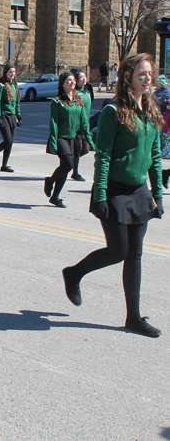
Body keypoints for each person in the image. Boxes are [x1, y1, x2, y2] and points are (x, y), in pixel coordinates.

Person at [62, 53, 164, 338]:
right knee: (118, 250)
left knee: (135, 254)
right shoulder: (113, 111)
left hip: (139, 191)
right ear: (128, 76)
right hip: (115, 190)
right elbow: (103, 155)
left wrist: (158, 194)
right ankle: (74, 273)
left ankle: (133, 318)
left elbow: (155, 155)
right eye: (141, 74)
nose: (147, 79)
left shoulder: (151, 110)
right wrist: (102, 195)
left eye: (149, 74)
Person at [44, 71, 93, 208]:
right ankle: (50, 180)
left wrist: (89, 140)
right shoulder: (57, 101)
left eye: (73, 80)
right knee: (68, 164)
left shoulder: (78, 100)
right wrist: (53, 141)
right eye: (69, 81)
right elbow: (53, 122)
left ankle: (55, 197)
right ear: (63, 84)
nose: (72, 82)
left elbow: (84, 123)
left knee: (65, 166)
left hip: (72, 138)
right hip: (60, 137)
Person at [0, 64, 21, 172]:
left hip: (12, 116)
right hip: (4, 115)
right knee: (7, 140)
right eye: (10, 72)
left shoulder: (15, 86)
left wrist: (18, 115)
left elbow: (17, 102)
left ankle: (4, 165)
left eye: (13, 72)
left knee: (10, 142)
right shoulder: (1, 86)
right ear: (6, 73)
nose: (12, 74)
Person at [70, 69, 93, 182]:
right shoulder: (75, 93)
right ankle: (75, 172)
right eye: (81, 78)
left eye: (85, 77)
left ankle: (71, 158)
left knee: (85, 150)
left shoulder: (87, 93)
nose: (84, 79)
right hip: (77, 127)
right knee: (78, 150)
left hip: (85, 125)